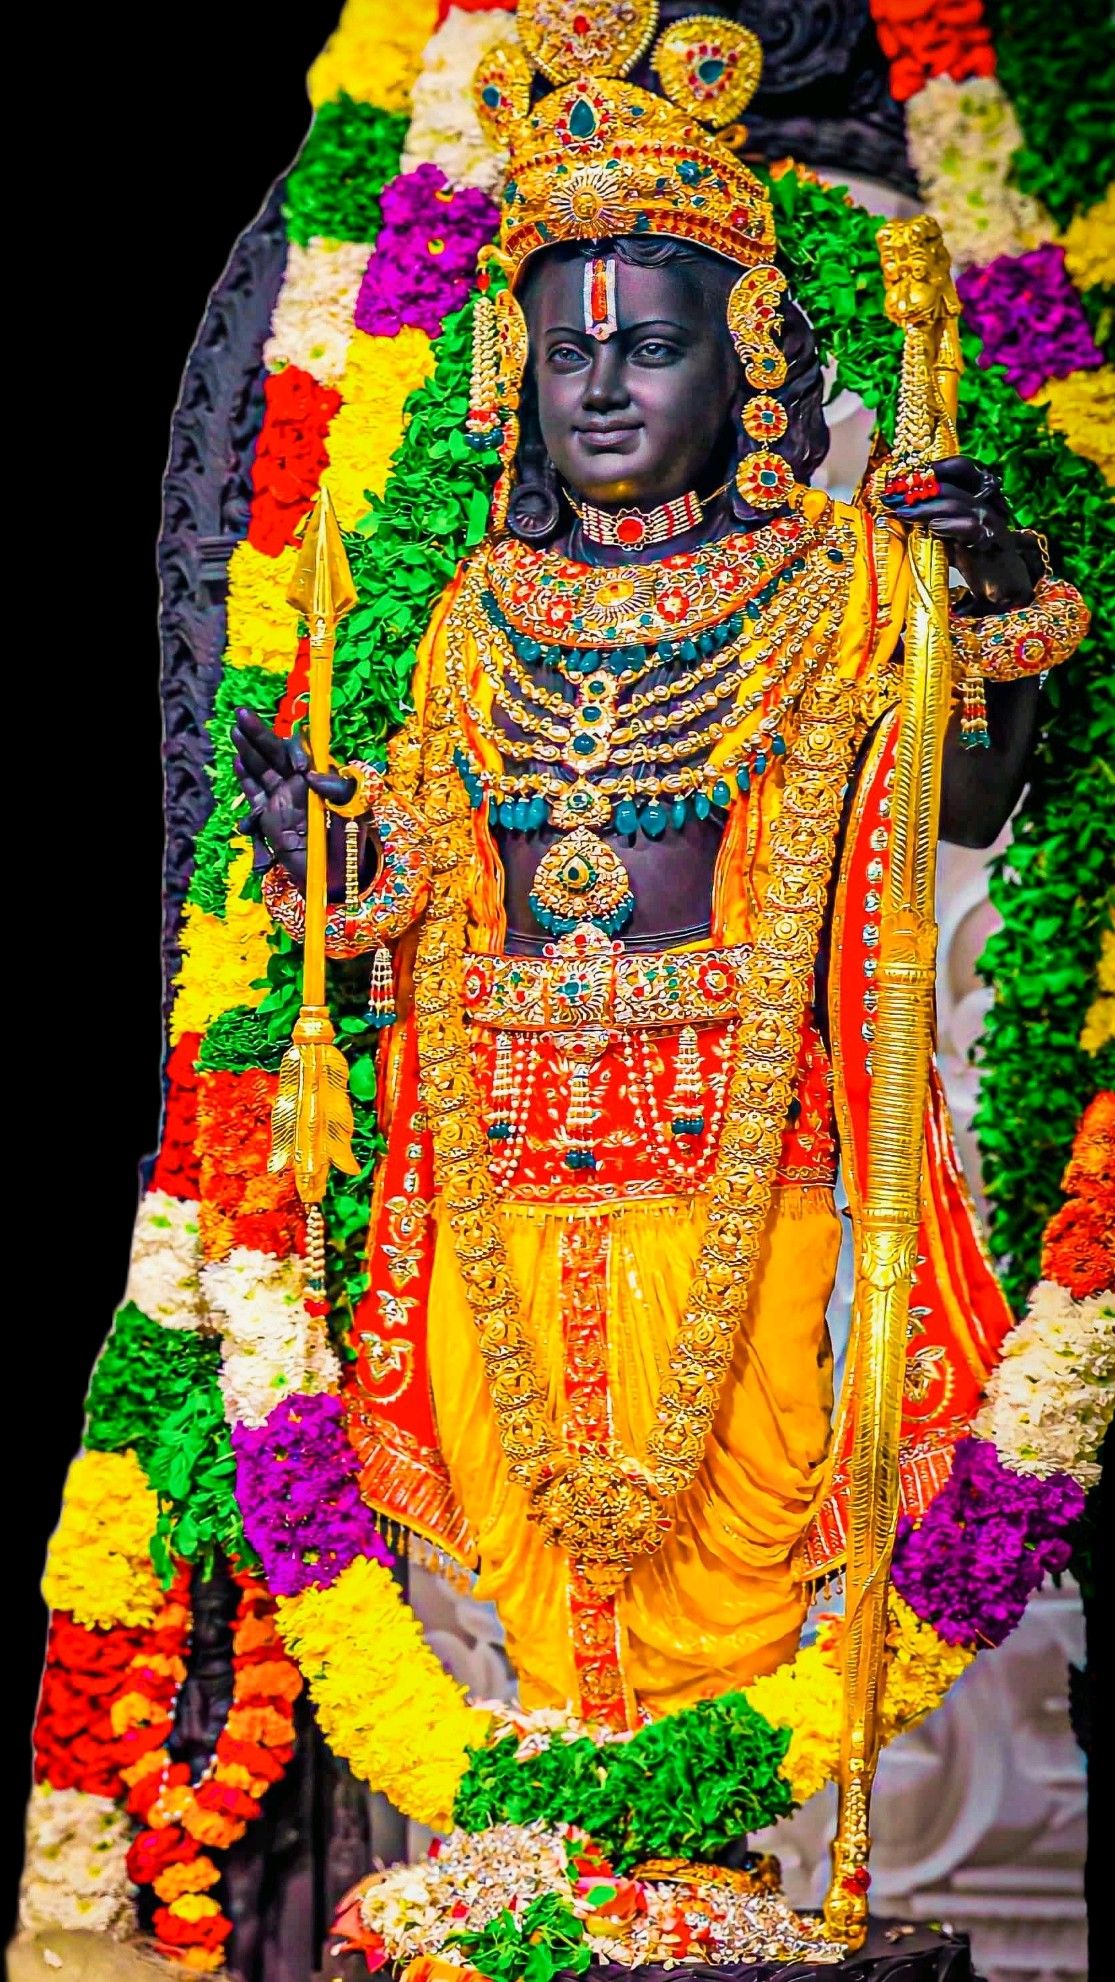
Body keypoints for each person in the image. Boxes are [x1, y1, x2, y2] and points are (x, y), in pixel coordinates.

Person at [231, 8, 1088, 1732]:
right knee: (526, 1517)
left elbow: (968, 802)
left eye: (651, 350)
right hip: (504, 1137)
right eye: (568, 357)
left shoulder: (840, 573)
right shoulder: (478, 611)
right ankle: (590, 1846)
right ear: (515, 377)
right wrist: (324, 853)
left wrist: (984, 602)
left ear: (750, 359)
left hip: (735, 1133)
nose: (605, 389)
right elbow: (418, 885)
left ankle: (684, 1863)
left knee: (737, 1499)